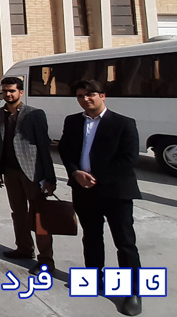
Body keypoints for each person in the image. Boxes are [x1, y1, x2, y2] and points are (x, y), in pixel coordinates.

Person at [58, 80, 142, 316]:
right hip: (83, 191)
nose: (85, 99)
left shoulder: (123, 123)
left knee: (125, 243)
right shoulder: (73, 121)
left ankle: (133, 292)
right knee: (92, 237)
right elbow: (65, 150)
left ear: (102, 96)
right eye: (80, 96)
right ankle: (94, 278)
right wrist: (75, 172)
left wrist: (95, 177)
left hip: (116, 192)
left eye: (90, 94)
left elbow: (129, 158)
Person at [0, 77, 56, 273]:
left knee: (39, 216)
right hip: (10, 172)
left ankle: (46, 260)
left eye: (12, 91)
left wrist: (50, 178)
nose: (8, 94)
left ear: (20, 92)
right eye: (5, 91)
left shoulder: (34, 114)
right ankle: (24, 248)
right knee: (18, 213)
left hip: (32, 173)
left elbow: (44, 147)